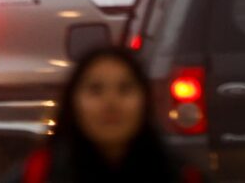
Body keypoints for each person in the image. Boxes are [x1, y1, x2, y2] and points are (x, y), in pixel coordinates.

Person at [11, 46, 196, 183]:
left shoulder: (182, 176)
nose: (111, 103)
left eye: (125, 89)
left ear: (145, 101)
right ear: (73, 102)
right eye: (95, 90)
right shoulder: (37, 175)